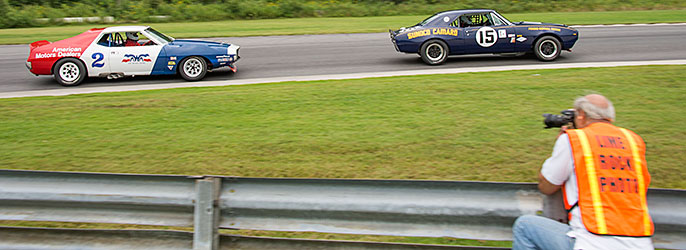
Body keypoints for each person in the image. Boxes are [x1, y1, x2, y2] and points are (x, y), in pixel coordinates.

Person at [512, 94, 654, 250]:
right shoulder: (633, 140)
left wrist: (560, 143)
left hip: (592, 242)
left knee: (524, 226)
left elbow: (547, 185)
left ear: (581, 115)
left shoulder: (575, 139)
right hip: (641, 243)